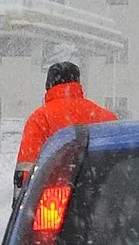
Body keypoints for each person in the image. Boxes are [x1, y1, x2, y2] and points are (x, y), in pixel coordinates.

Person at [14, 61, 116, 189]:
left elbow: (27, 169)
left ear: (48, 85)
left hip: (55, 200)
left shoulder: (40, 118)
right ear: (78, 83)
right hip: (101, 197)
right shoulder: (106, 117)